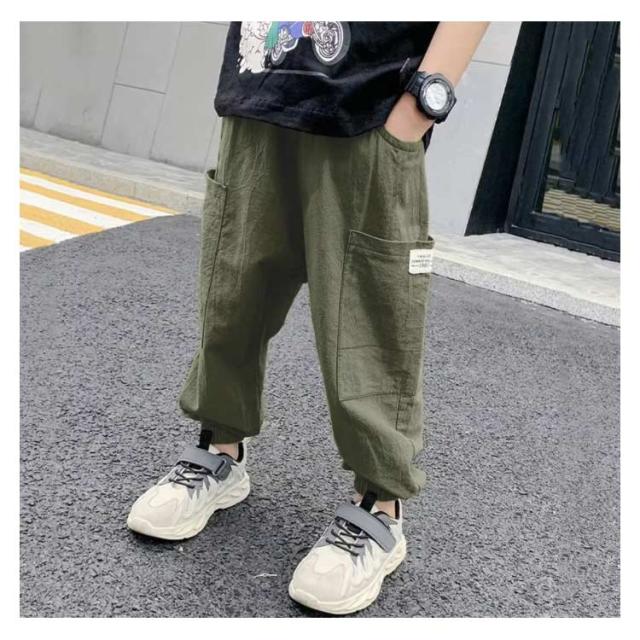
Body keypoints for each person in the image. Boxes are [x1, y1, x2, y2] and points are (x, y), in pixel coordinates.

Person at [127, 21, 489, 615]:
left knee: (369, 316)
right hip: (260, 89)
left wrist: (420, 106)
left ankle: (380, 506)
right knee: (232, 293)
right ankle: (220, 450)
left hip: (371, 104)